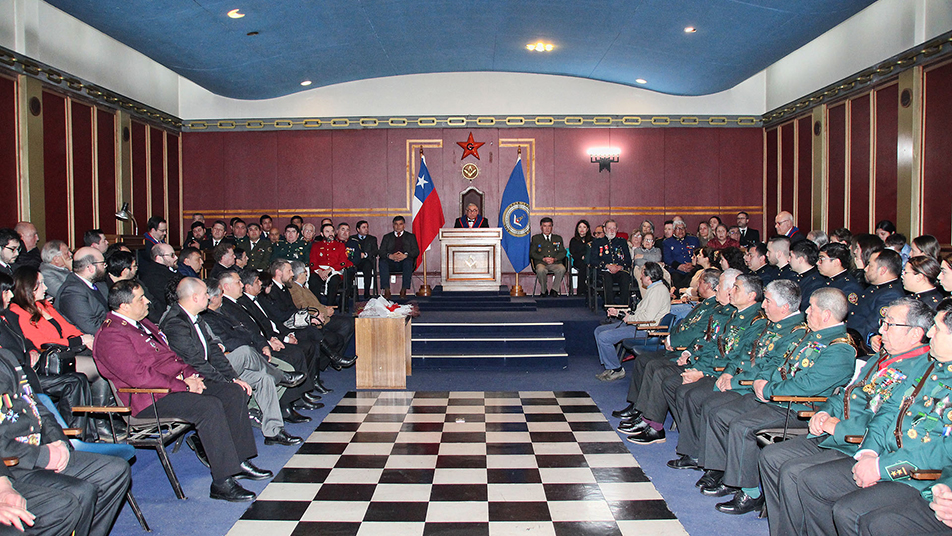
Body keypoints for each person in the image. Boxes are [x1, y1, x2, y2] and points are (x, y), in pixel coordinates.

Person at [758, 297, 933, 536]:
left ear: (915, 334)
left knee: (799, 474)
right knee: (773, 456)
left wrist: (838, 427)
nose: (881, 330)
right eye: (883, 322)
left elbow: (889, 420)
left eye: (889, 324)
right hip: (842, 436)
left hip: (861, 445)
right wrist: (825, 412)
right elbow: (846, 393)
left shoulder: (920, 371)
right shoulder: (880, 358)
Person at [93, 279, 271, 502]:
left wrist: (191, 375)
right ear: (124, 306)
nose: (148, 301)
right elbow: (139, 376)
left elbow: (173, 358)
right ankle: (222, 481)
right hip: (148, 399)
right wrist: (184, 385)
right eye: (141, 298)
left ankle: (239, 460)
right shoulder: (113, 335)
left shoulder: (143, 323)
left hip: (171, 386)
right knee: (209, 407)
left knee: (231, 391)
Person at [701, 288, 856, 515]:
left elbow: (807, 386)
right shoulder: (809, 335)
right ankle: (726, 472)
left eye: (811, 307)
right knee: (720, 412)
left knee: (742, 426)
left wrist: (770, 389)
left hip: (797, 407)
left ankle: (751, 491)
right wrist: (762, 379)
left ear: (826, 314)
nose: (806, 312)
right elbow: (777, 361)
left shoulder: (840, 348)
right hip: (777, 398)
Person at [0, 345, 130, 536]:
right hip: (13, 462)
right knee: (79, 494)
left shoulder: (5, 354)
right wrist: (42, 456)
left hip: (35, 448)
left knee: (115, 471)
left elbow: (36, 406)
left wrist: (58, 440)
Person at [161, 278, 302, 446]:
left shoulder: (196, 317)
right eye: (206, 293)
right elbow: (196, 363)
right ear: (195, 297)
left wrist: (232, 376)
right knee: (245, 352)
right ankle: (281, 376)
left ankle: (274, 431)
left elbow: (213, 350)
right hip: (197, 377)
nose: (209, 297)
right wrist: (230, 380)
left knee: (264, 378)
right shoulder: (176, 323)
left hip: (214, 368)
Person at [593, 262, 670, 382]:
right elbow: (640, 312)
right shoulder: (654, 289)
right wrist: (619, 312)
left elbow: (647, 318)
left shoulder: (658, 291)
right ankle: (610, 366)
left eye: (642, 275)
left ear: (649, 278)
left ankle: (617, 370)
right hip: (638, 325)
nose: (640, 277)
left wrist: (628, 318)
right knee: (599, 330)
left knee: (604, 337)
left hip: (645, 330)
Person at [51, 247, 108, 340]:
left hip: (107, 334)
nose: (105, 266)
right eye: (103, 264)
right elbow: (91, 327)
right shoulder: (72, 292)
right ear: (90, 268)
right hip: (91, 342)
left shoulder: (99, 284)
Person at [590, 220, 631, 306]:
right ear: (604, 229)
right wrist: (607, 265)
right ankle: (610, 307)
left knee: (625, 277)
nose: (612, 231)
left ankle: (624, 306)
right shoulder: (597, 242)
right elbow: (593, 260)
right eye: (609, 228)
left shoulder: (622, 242)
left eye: (614, 228)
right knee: (607, 277)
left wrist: (620, 266)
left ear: (617, 229)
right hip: (604, 271)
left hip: (620, 270)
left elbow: (628, 260)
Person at [309, 223, 352, 305]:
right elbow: (312, 262)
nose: (330, 234)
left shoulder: (340, 245)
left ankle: (330, 305)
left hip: (334, 271)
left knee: (334, 281)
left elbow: (342, 262)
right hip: (319, 271)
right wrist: (320, 271)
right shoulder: (316, 246)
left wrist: (329, 270)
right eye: (327, 231)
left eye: (332, 231)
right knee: (313, 281)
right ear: (322, 234)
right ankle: (317, 306)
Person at [378, 216, 418, 299]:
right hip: (391, 262)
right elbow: (381, 252)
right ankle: (387, 290)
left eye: (400, 224)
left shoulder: (410, 237)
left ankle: (403, 290)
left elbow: (416, 251)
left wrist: (405, 255)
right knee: (382, 261)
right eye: (396, 224)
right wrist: (390, 256)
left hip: (404, 262)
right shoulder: (387, 237)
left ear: (404, 225)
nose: (398, 226)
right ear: (393, 225)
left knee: (408, 262)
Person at [529, 217, 566, 297]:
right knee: (541, 270)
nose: (547, 228)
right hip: (541, 263)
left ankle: (554, 290)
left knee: (562, 268)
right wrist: (543, 258)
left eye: (549, 226)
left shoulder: (558, 238)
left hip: (555, 263)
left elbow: (563, 252)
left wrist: (554, 259)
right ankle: (544, 290)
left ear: (552, 227)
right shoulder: (536, 238)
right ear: (541, 227)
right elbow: (532, 253)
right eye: (545, 226)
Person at [663, 220, 701, 290]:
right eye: (678, 228)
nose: (680, 230)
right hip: (676, 271)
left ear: (686, 229)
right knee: (677, 279)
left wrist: (693, 264)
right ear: (674, 230)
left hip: (692, 269)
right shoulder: (667, 242)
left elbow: (699, 254)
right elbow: (667, 258)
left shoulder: (694, 240)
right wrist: (679, 266)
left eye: (682, 228)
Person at [789, 239, 825, 312]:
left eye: (791, 256)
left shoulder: (816, 283)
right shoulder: (794, 277)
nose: (788, 260)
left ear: (800, 260)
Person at [347, 221, 378, 300]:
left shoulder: (372, 239)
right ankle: (353, 293)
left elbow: (375, 251)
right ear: (358, 229)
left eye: (367, 227)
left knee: (368, 266)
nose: (366, 229)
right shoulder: (352, 238)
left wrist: (365, 255)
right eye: (364, 227)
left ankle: (367, 292)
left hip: (366, 261)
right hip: (354, 261)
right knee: (349, 267)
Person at [569, 220, 593, 297]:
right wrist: (582, 257)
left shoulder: (592, 240)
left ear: (588, 229)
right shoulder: (574, 240)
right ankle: (581, 291)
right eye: (580, 227)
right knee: (583, 266)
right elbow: (573, 252)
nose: (582, 229)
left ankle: (593, 290)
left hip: (590, 260)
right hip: (579, 261)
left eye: (584, 227)